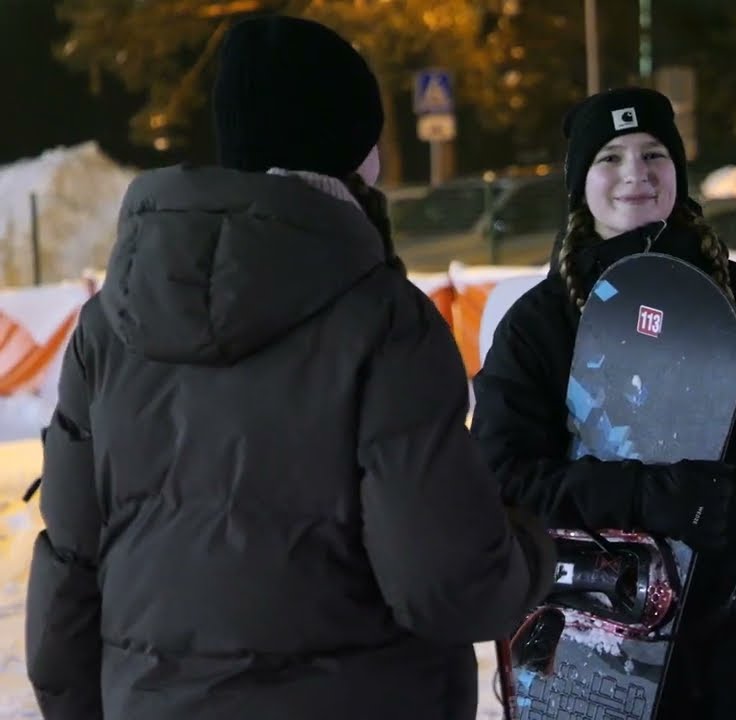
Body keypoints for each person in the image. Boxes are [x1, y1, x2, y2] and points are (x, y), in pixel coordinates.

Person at [24, 15, 555, 720]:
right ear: (355, 150)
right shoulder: (384, 321)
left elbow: (68, 570)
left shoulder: (106, 326)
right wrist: (532, 547)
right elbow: (448, 587)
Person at [470, 86, 736, 718]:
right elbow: (503, 479)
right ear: (581, 182)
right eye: (610, 157)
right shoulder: (540, 323)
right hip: (601, 658)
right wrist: (646, 497)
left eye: (654, 153)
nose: (636, 174)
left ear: (678, 173)